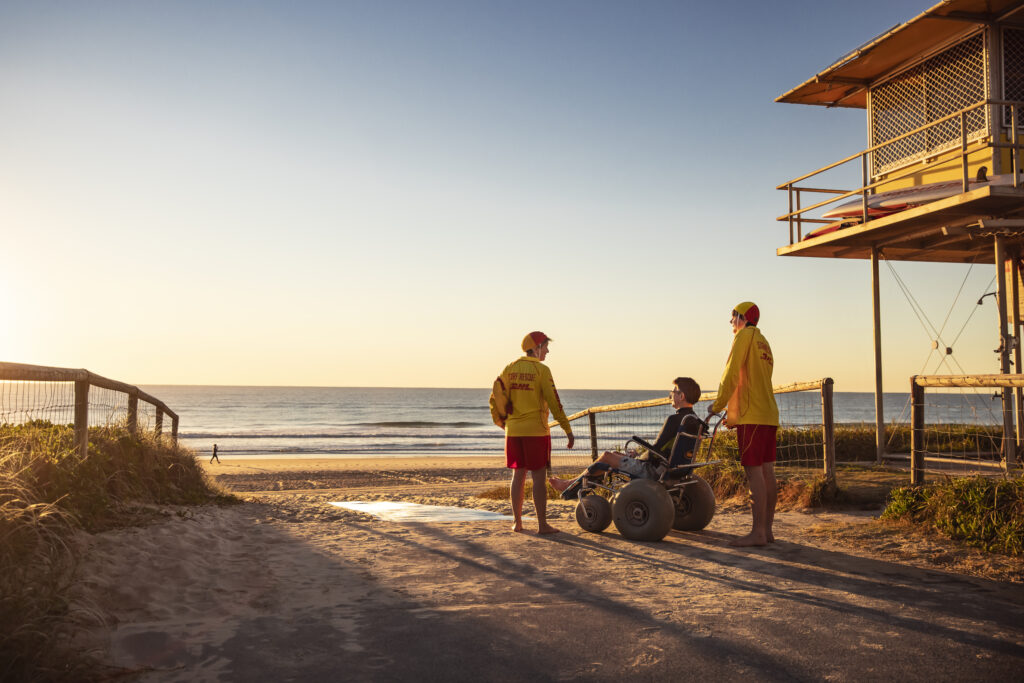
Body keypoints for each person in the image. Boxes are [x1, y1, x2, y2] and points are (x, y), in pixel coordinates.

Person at [549, 377, 703, 498]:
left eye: (674, 392)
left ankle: (570, 485)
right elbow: (670, 450)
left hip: (655, 471)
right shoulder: (695, 421)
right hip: (677, 470)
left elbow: (655, 450)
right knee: (617, 456)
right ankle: (572, 482)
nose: (671, 395)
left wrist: (639, 458)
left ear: (681, 396)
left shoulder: (674, 420)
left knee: (606, 456)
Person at [709, 302, 779, 547]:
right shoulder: (764, 342)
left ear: (742, 318)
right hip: (769, 414)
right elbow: (753, 382)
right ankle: (767, 531)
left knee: (754, 473)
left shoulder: (743, 337)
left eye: (733, 318)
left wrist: (718, 405)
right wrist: (734, 414)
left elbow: (731, 374)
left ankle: (757, 532)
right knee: (768, 472)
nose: (731, 323)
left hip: (754, 417)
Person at [489, 331, 574, 534]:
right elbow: (554, 401)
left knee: (518, 475)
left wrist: (503, 422)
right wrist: (567, 429)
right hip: (536, 432)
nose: (547, 351)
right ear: (536, 348)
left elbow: (495, 396)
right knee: (538, 477)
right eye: (545, 347)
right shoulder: (542, 370)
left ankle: (517, 523)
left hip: (514, 432)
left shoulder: (509, 368)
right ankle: (542, 525)